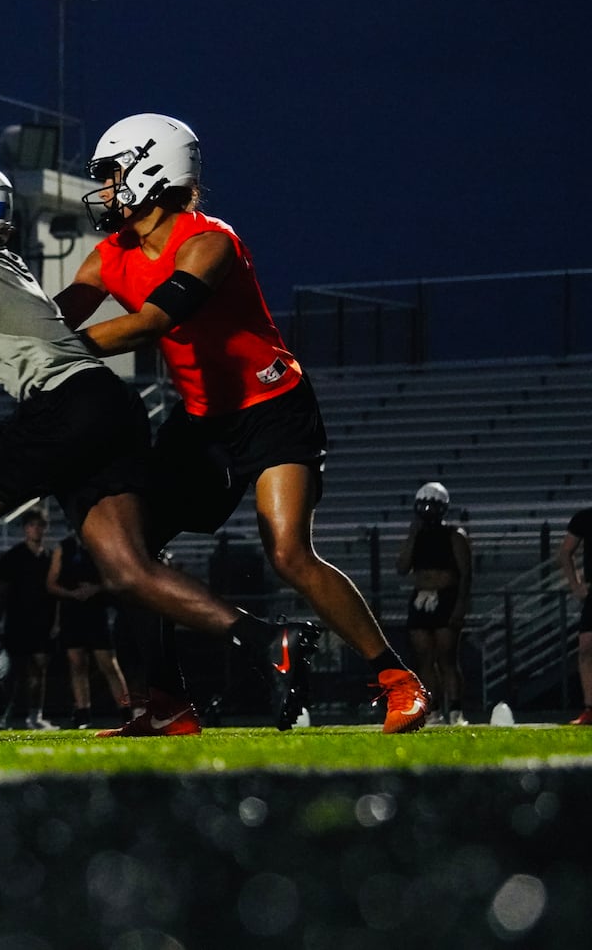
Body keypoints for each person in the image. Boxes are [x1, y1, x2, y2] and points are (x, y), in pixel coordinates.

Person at [0, 160, 317, 733]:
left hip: (62, 407)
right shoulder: (11, 267)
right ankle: (268, 638)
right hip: (111, 404)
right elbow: (9, 335)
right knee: (127, 570)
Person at [55, 113, 430, 735]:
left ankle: (396, 678)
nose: (108, 188)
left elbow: (153, 322)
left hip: (272, 407)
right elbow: (59, 317)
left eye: (115, 174)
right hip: (202, 421)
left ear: (152, 171)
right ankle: (167, 703)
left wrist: (60, 350)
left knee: (288, 552)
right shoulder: (109, 254)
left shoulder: (211, 241)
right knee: (131, 554)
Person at [395, 483, 471, 725]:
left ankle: (456, 711)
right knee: (424, 659)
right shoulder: (417, 535)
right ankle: (434, 710)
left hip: (445, 597)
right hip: (421, 597)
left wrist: (460, 606)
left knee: (447, 658)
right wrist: (412, 535)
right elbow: (402, 567)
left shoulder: (454, 535)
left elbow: (465, 574)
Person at [46, 531, 131, 729]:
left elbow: (116, 579)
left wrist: (96, 588)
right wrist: (72, 593)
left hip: (96, 613)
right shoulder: (63, 548)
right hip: (72, 613)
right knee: (77, 664)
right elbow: (51, 583)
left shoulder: (100, 544)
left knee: (108, 664)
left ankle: (126, 711)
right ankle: (82, 712)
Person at [0, 508, 60, 728]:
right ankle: (2, 716)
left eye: (40, 525)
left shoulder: (50, 557)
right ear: (25, 529)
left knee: (39, 669)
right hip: (18, 621)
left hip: (43, 621)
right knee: (14, 673)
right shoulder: (14, 556)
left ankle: (35, 716)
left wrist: (56, 622)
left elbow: (56, 594)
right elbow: (0, 591)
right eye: (32, 525)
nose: (36, 530)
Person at [558, 506, 592, 725]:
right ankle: (590, 708)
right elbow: (564, 552)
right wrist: (575, 585)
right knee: (586, 649)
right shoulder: (585, 517)